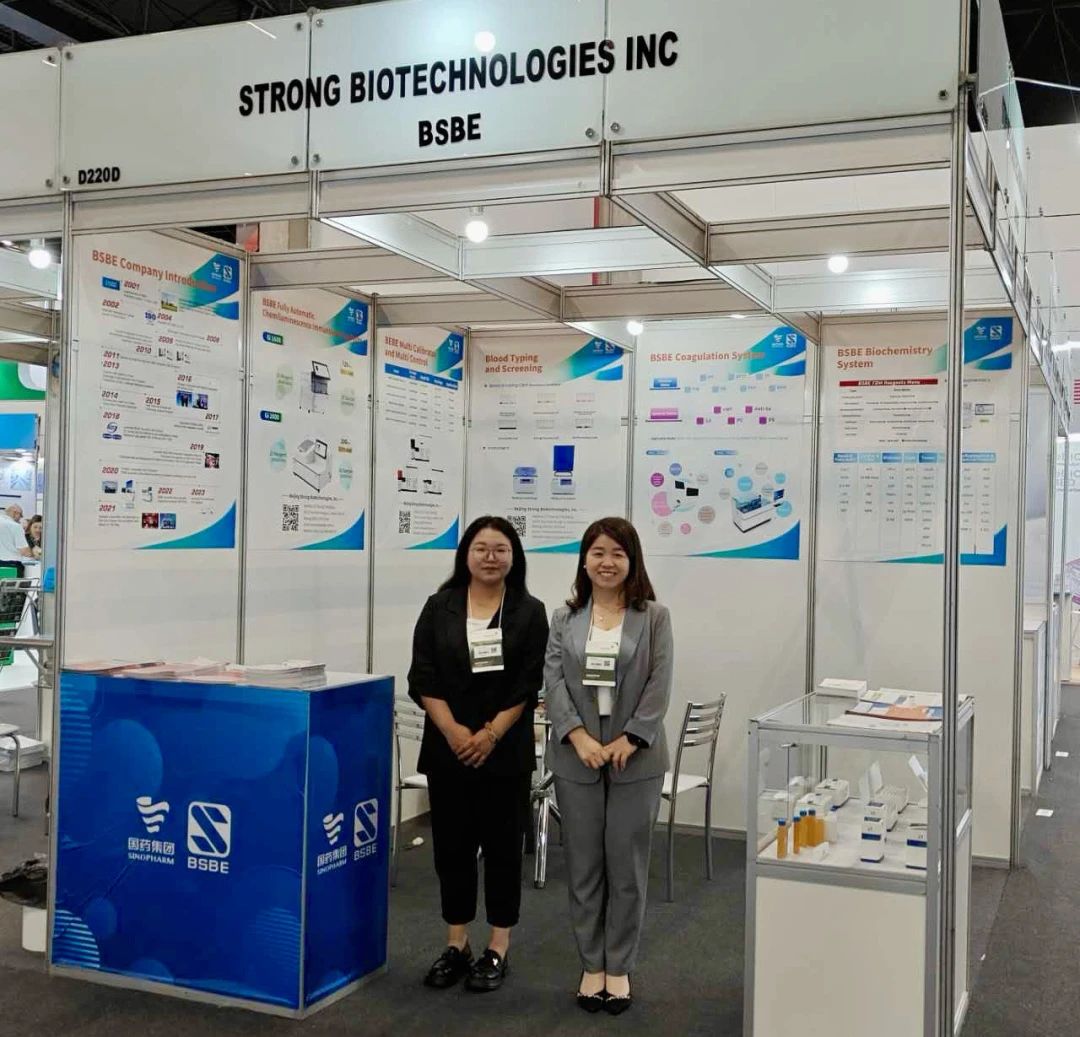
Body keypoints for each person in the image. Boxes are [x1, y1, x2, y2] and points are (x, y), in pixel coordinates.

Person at [407, 516, 549, 993]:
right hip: (448, 750)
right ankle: (457, 943)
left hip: (504, 751)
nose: (491, 557)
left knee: (504, 849)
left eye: (501, 549)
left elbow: (529, 683)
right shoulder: (439, 606)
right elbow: (422, 676)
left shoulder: (529, 611)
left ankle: (498, 946)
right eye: (481, 548)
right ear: (465, 554)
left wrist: (489, 734)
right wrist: (453, 732)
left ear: (514, 557)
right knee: (452, 850)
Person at [544, 517, 673, 1015]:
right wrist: (577, 736)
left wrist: (631, 737)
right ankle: (590, 964)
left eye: (618, 553)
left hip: (634, 758)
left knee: (627, 866)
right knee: (583, 867)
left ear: (632, 561)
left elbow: (659, 681)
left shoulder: (654, 617)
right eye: (598, 552)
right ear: (584, 560)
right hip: (576, 755)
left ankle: (618, 966)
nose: (607, 562)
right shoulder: (565, 618)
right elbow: (553, 681)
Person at [0, 505, 32, 574]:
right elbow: (24, 551)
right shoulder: (15, 526)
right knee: (11, 581)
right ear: (15, 513)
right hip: (11, 566)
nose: (21, 518)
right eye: (21, 515)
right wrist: (34, 553)